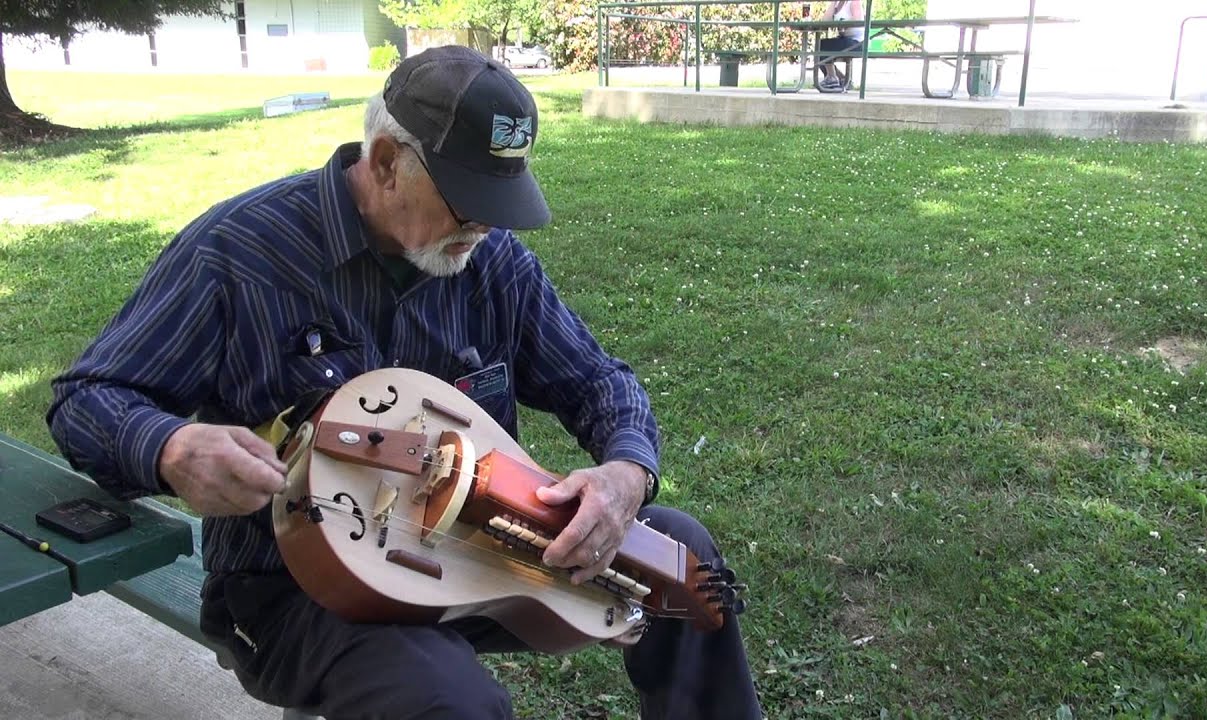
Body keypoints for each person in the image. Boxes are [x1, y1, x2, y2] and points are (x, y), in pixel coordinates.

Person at [46, 45, 762, 720]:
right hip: (293, 590)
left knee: (685, 565)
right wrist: (170, 447)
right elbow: (86, 399)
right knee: (448, 702)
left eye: (501, 199)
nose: (485, 224)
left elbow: (598, 380)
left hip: (477, 556)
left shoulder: (492, 260)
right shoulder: (237, 254)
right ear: (387, 162)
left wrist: (625, 477)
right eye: (466, 197)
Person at [817, 0, 866, 92]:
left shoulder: (854, 1)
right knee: (819, 48)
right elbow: (825, 22)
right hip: (844, 39)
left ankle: (832, 77)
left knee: (823, 46)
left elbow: (857, 19)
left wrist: (843, 25)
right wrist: (833, 3)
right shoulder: (837, 4)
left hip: (858, 42)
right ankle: (841, 79)